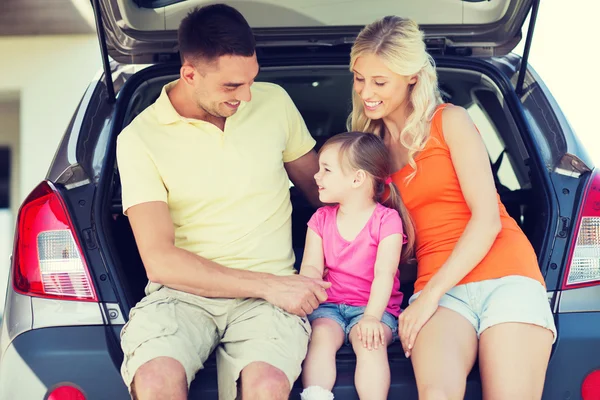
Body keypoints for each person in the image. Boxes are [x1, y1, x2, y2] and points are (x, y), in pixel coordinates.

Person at [116, 4, 328, 400]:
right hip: (181, 296)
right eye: (232, 87)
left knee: (267, 385)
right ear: (189, 74)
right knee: (155, 380)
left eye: (251, 81)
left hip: (267, 305)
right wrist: (271, 285)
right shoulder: (139, 138)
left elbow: (324, 195)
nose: (247, 97)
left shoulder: (274, 102)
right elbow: (159, 261)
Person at [347, 16, 557, 399]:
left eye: (380, 82)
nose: (366, 91)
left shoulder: (449, 121)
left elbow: (487, 220)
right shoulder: (367, 150)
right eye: (360, 78)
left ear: (412, 76)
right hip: (439, 288)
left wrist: (427, 298)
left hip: (505, 276)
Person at [298, 132, 415, 400]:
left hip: (374, 308)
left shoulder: (387, 221)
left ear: (357, 178)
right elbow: (311, 270)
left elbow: (384, 275)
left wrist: (372, 317)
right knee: (321, 337)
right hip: (329, 306)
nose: (316, 177)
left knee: (369, 343)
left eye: (326, 170)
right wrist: (306, 299)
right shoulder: (321, 219)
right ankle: (315, 396)